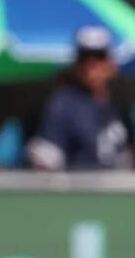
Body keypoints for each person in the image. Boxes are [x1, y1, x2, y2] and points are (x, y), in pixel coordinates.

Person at [27, 25, 132, 170]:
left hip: (118, 182)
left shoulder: (118, 105)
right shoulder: (63, 104)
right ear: (76, 64)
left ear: (111, 64)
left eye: (99, 57)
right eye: (84, 58)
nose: (91, 65)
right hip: (80, 183)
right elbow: (46, 160)